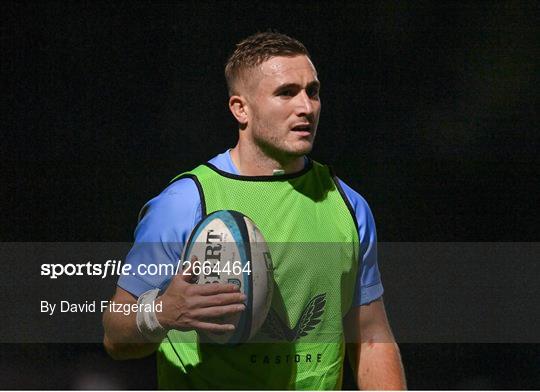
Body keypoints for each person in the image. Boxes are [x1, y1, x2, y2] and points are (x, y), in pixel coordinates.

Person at [103, 31, 406, 390]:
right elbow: (114, 335)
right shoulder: (186, 201)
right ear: (240, 108)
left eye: (313, 91)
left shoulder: (348, 205)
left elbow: (371, 339)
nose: (306, 107)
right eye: (286, 92)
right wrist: (164, 312)